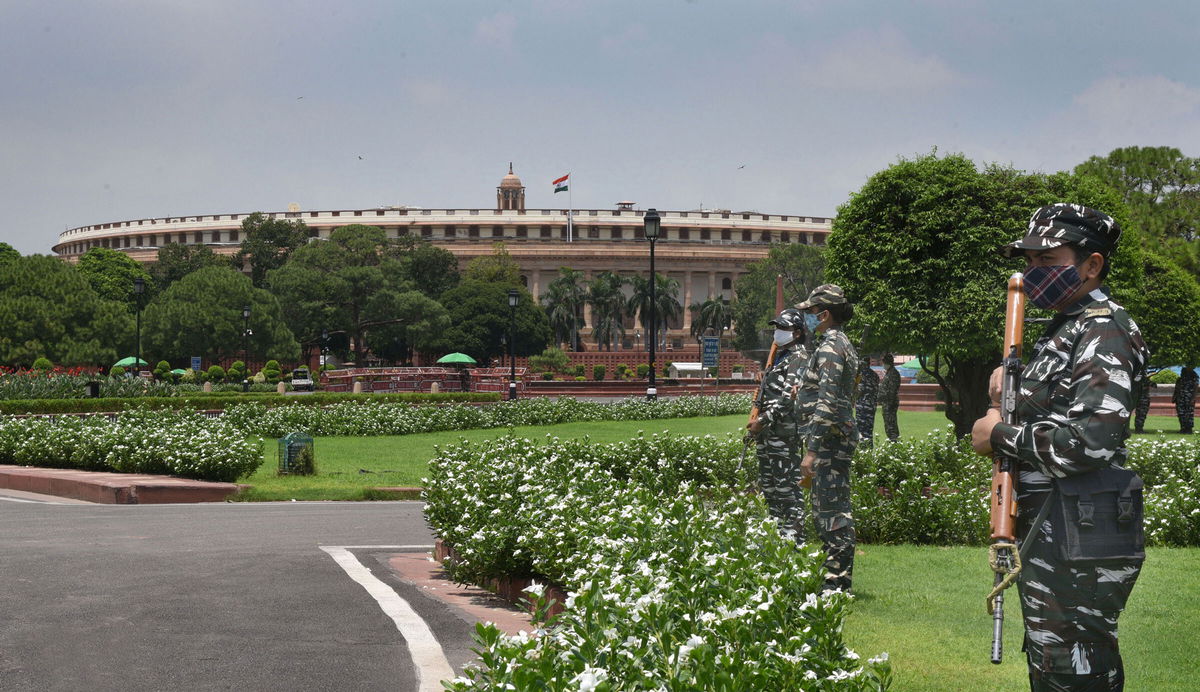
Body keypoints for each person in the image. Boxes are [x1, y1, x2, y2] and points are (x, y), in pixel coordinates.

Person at [971, 203, 1147, 692]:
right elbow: (1059, 409)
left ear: (1091, 265)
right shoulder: (1068, 325)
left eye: (1048, 261)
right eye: (1030, 262)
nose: (1033, 273)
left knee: (1075, 667)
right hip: (1058, 528)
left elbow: (1089, 443)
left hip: (1079, 533)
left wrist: (998, 434)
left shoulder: (1103, 328)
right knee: (1056, 660)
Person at [795, 284, 859, 592]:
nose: (807, 317)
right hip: (830, 439)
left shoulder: (832, 346)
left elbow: (828, 400)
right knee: (826, 511)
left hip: (830, 441)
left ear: (825, 314)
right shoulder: (833, 343)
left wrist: (812, 449)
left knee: (833, 513)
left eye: (810, 312)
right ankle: (831, 578)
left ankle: (837, 584)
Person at [746, 308, 810, 542]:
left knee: (788, 491)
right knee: (770, 488)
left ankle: (795, 540)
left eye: (783, 328)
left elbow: (787, 399)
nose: (778, 332)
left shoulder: (799, 357)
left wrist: (761, 421)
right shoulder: (781, 356)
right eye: (777, 327)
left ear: (797, 332)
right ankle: (777, 538)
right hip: (767, 433)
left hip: (782, 434)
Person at [854, 356, 879, 448]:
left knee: (861, 430)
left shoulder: (860, 375)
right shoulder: (875, 375)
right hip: (872, 406)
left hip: (862, 406)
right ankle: (869, 450)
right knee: (869, 430)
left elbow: (858, 391)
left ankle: (863, 452)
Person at [879, 354, 901, 442]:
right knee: (888, 425)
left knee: (891, 425)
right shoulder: (889, 372)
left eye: (884, 363)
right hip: (887, 403)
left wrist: (890, 404)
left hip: (889, 403)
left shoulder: (893, 373)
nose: (883, 365)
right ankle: (892, 442)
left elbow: (892, 390)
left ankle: (894, 443)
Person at [1173, 366, 1197, 434]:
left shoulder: (1193, 379)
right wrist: (1174, 397)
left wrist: (1193, 398)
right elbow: (1176, 388)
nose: (1182, 373)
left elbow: (1195, 389)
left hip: (1189, 399)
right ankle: (1182, 428)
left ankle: (1189, 429)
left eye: (1183, 371)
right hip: (1180, 399)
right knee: (1181, 414)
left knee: (1189, 414)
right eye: (1182, 371)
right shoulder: (1179, 380)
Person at [1133, 365, 1154, 434]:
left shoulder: (1137, 378)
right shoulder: (1143, 379)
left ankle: (1139, 429)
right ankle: (1139, 429)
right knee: (1141, 414)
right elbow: (1154, 385)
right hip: (1143, 399)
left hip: (1139, 398)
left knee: (1140, 415)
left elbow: (1154, 385)